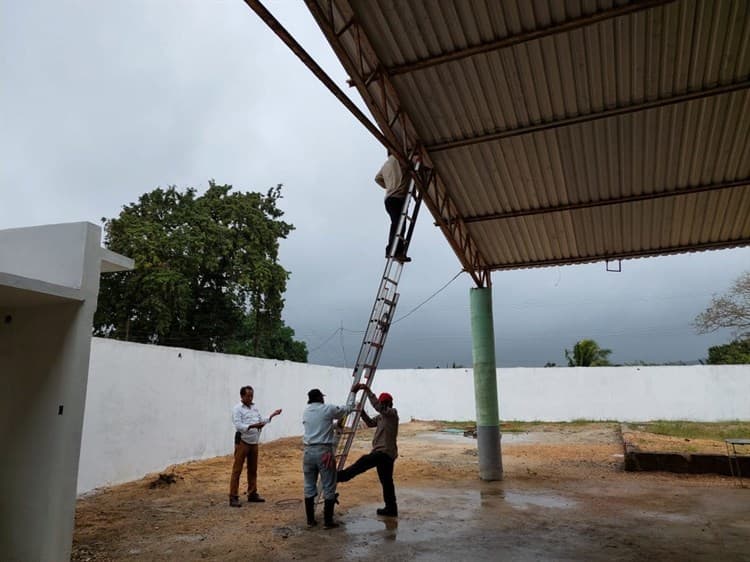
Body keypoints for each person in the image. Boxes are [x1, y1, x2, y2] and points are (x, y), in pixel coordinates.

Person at [337, 383, 399, 517]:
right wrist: (362, 412)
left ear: (388, 403)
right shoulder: (382, 417)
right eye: (382, 403)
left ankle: (342, 476)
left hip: (384, 453)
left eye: (383, 403)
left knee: (364, 462)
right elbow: (370, 423)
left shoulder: (392, 414)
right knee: (387, 482)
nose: (382, 405)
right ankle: (391, 508)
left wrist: (367, 390)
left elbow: (378, 407)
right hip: (385, 453)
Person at [302, 388, 354, 529]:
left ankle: (310, 520)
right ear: (319, 397)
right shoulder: (327, 409)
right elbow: (347, 409)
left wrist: (334, 426)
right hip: (323, 452)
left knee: (309, 486)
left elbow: (320, 426)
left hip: (308, 452)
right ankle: (328, 521)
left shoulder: (306, 411)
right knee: (329, 485)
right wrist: (353, 394)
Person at [229, 385, 282, 507]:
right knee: (237, 469)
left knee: (253, 469)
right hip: (242, 441)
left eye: (252, 395)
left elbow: (260, 419)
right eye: (248, 396)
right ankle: (233, 496)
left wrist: (272, 415)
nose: (250, 398)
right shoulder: (237, 409)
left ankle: (252, 493)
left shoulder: (254, 407)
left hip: (254, 441)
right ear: (242, 396)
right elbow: (239, 425)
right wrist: (254, 426)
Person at [375, 152, 412, 262]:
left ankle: (394, 251)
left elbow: (377, 178)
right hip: (398, 198)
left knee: (397, 223)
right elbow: (413, 165)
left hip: (389, 199)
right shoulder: (400, 158)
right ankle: (394, 251)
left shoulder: (386, 164)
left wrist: (390, 186)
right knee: (399, 224)